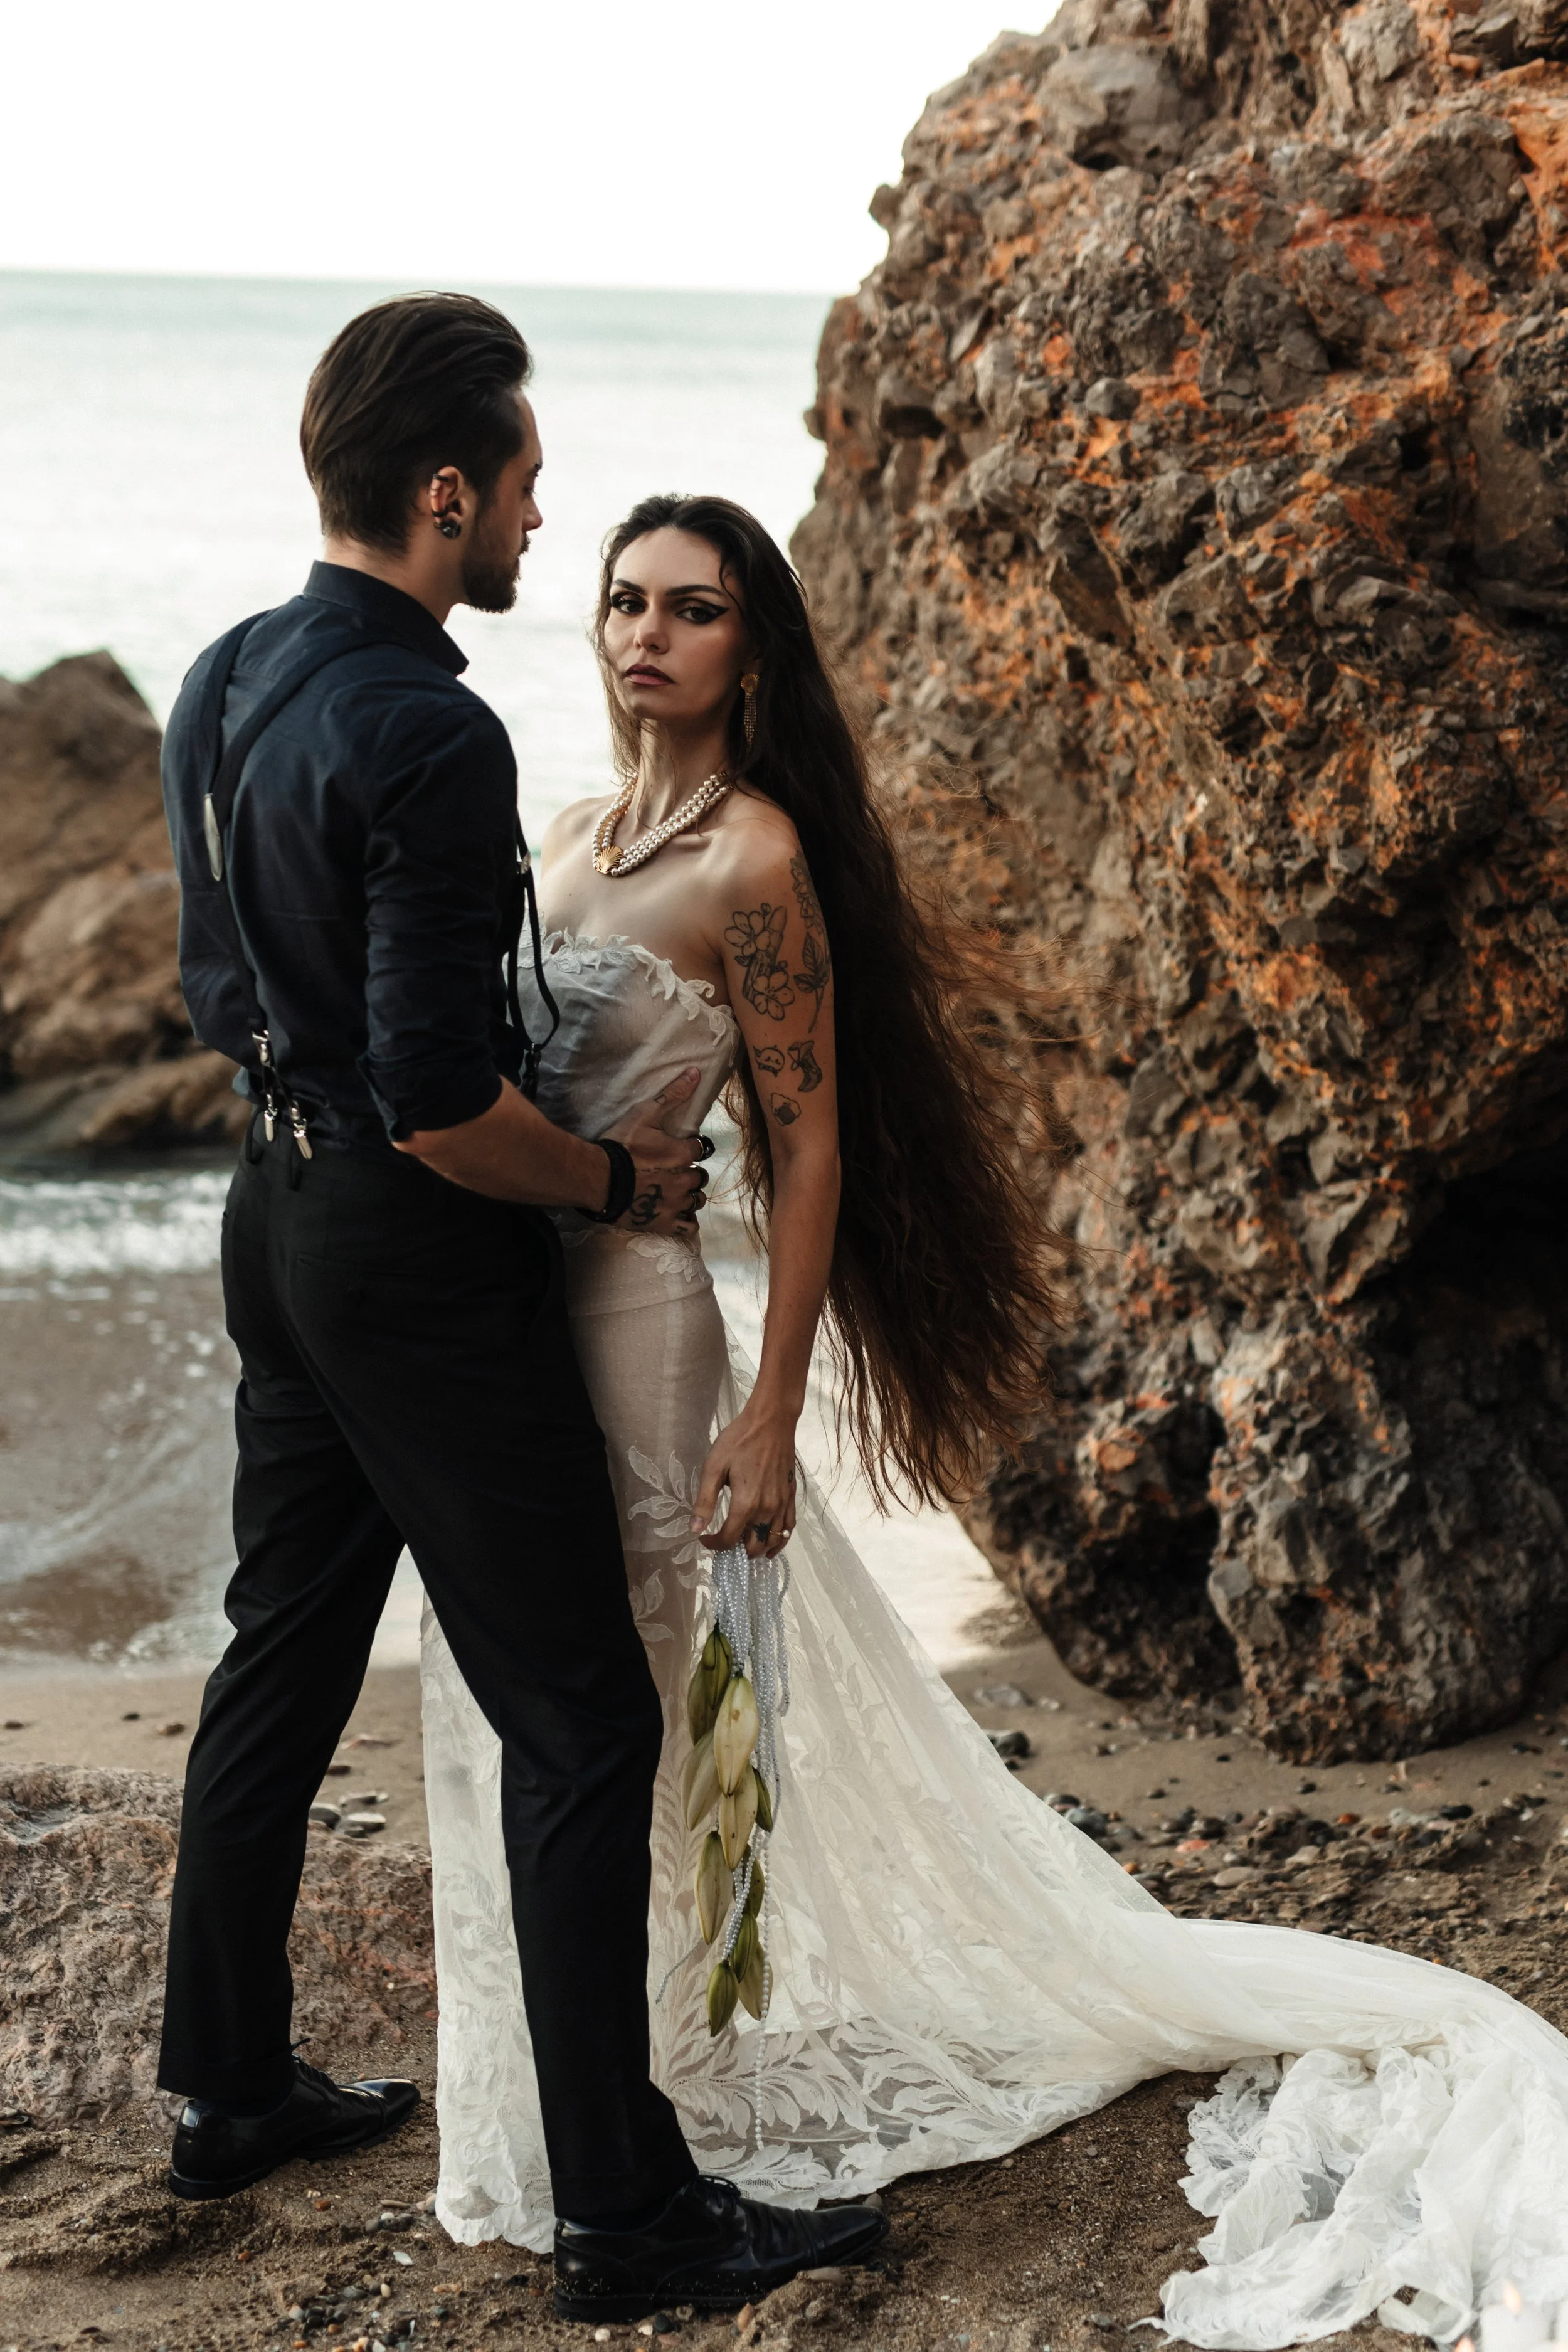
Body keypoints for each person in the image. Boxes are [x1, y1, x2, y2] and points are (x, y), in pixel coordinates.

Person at [420, 492, 1568, 2346]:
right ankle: (599, 2082)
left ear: (752, 649)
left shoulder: (757, 861)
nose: (645, 634)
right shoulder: (566, 838)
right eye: (624, 600)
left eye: (692, 609)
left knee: (613, 1720)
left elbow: (806, 1151)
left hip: (639, 1333)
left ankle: (630, 2106)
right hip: (504, 1332)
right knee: (533, 1707)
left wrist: (774, 1404)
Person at [156, 297, 887, 2316]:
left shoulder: (218, 677)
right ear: (449, 492)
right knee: (580, 1720)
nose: (549, 542)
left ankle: (219, 2083)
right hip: (408, 1253)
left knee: (278, 1656)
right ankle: (627, 2215)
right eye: (535, 497)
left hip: (268, 1217)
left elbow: (235, 996)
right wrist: (619, 1181)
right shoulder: (435, 723)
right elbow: (442, 1097)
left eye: (681, 598)